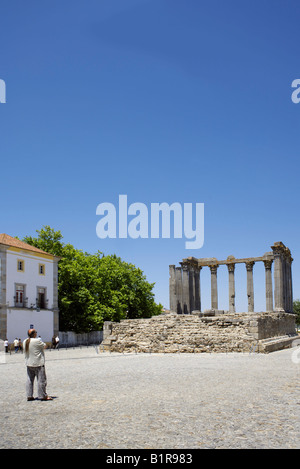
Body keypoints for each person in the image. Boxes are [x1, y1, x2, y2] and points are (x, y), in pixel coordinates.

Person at [23, 329, 53, 401]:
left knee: (29, 380)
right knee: (41, 380)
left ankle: (29, 395)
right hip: (38, 363)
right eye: (36, 332)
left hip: (29, 363)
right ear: (34, 334)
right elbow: (45, 346)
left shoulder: (25, 341)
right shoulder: (37, 341)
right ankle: (42, 395)